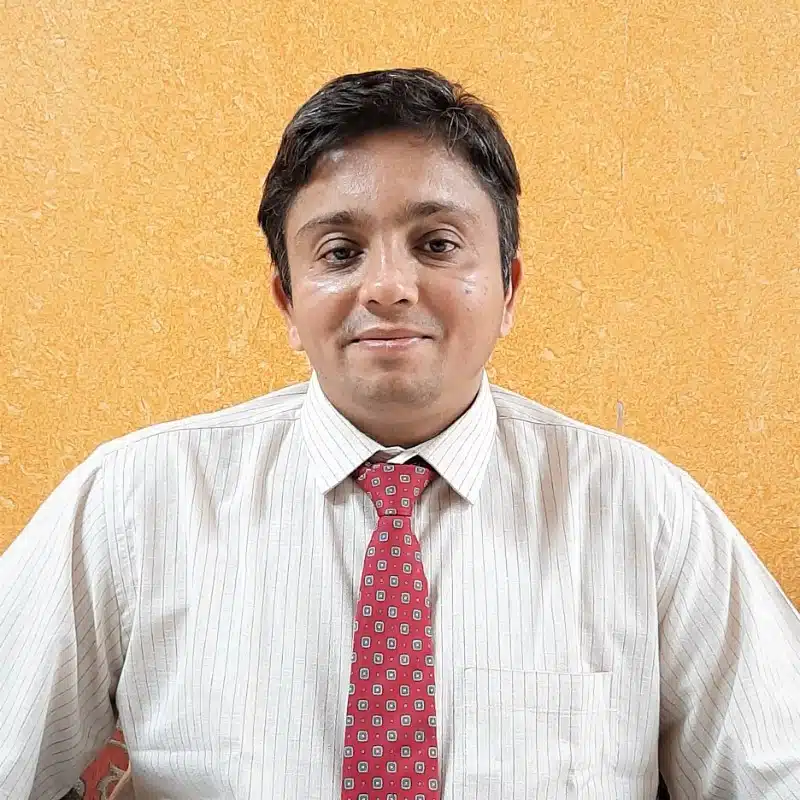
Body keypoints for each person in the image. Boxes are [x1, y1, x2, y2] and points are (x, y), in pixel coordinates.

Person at [1, 66, 798, 800]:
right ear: (287, 301)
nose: (387, 287)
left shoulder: (643, 513)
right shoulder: (136, 501)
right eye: (340, 251)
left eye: (437, 244)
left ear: (509, 287)